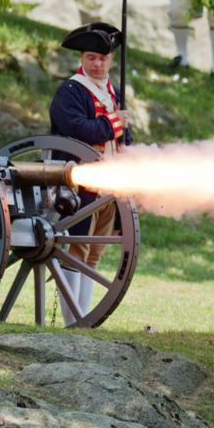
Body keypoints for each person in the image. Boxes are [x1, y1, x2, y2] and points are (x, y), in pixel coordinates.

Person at [48, 22, 132, 325]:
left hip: (109, 186)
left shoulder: (113, 92)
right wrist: (114, 124)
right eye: (91, 58)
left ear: (111, 60)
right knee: (77, 249)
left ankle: (83, 317)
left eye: (102, 58)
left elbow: (124, 138)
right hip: (79, 183)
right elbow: (78, 131)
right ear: (81, 59)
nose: (97, 64)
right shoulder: (70, 91)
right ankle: (74, 319)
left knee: (95, 251)